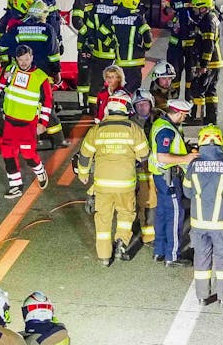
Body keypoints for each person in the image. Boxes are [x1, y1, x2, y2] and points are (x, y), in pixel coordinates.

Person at [76, 91, 148, 266]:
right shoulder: (134, 129)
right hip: (125, 185)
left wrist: (83, 174)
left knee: (102, 219)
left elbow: (84, 156)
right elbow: (144, 155)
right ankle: (122, 241)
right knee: (125, 214)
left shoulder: (96, 130)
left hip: (102, 185)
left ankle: (104, 256)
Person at [184, 125, 223, 305]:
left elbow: (187, 192)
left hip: (199, 224)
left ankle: (202, 297)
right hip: (221, 225)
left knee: (201, 259)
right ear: (220, 143)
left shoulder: (193, 166)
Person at [0, 44, 53, 198]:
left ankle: (40, 170)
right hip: (10, 121)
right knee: (8, 153)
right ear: (16, 59)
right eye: (20, 60)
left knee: (28, 154)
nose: (24, 63)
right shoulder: (11, 71)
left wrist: (43, 123)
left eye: (26, 59)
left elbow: (48, 101)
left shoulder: (41, 77)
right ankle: (15, 186)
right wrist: (4, 78)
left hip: (28, 123)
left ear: (32, 57)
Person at [150, 98, 198, 265]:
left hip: (160, 176)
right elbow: (162, 156)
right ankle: (173, 256)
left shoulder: (160, 124)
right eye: (185, 115)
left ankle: (159, 251)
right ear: (178, 113)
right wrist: (187, 157)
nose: (185, 118)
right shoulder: (167, 131)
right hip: (168, 177)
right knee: (176, 213)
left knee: (162, 213)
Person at [108, 0, 153, 90]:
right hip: (135, 63)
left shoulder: (113, 17)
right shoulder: (138, 18)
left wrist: (111, 45)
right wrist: (146, 47)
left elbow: (103, 34)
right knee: (134, 91)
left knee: (120, 90)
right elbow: (148, 36)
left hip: (120, 62)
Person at [187, 0, 223, 124]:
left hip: (210, 62)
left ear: (203, 7)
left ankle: (197, 117)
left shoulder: (207, 21)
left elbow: (208, 45)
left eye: (197, 8)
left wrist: (203, 65)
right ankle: (211, 118)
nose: (195, 10)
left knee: (199, 89)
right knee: (210, 91)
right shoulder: (213, 17)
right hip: (216, 61)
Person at [131, 90, 159, 249]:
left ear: (151, 104)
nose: (142, 107)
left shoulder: (159, 120)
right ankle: (146, 234)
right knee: (144, 202)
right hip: (139, 170)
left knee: (152, 202)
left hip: (156, 168)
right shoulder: (131, 124)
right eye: (139, 105)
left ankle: (149, 233)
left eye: (145, 104)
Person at [71, 0, 102, 100]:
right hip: (84, 43)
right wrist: (87, 35)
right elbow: (76, 21)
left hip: (94, 41)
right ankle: (82, 102)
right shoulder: (81, 0)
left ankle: (90, 101)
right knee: (84, 74)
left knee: (93, 73)